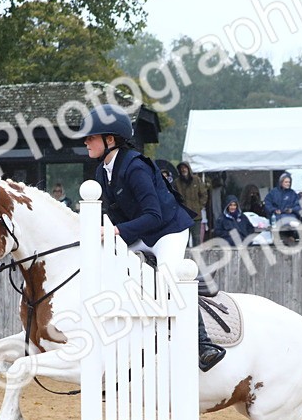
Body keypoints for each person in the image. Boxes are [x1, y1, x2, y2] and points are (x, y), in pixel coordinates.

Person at [82, 104, 225, 371]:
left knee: (169, 277)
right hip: (138, 232)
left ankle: (203, 345)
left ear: (110, 140)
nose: (86, 142)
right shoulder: (102, 171)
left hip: (166, 231)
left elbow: (154, 216)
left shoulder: (135, 167)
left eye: (91, 137)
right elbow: (114, 213)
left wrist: (115, 231)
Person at [175, 162, 209, 245]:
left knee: (196, 238)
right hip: (183, 215)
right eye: (181, 168)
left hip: (196, 214)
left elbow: (204, 194)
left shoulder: (196, 180)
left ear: (188, 169)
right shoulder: (177, 182)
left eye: (185, 167)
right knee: (184, 239)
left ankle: (196, 257)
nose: (183, 170)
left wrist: (199, 206)